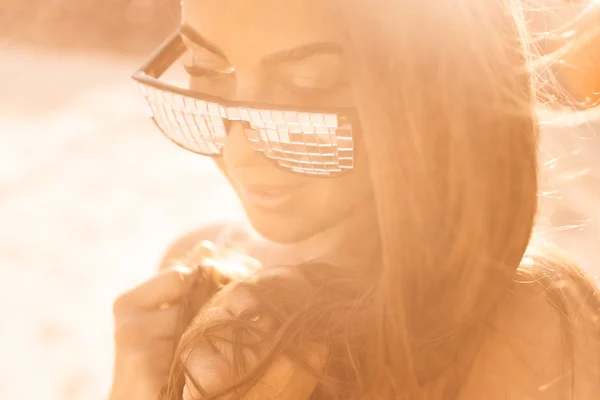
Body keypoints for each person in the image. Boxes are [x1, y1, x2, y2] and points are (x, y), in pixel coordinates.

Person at [110, 0, 600, 399]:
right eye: (206, 68)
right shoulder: (190, 277)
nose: (238, 150)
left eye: (307, 86)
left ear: (434, 91)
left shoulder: (533, 323)